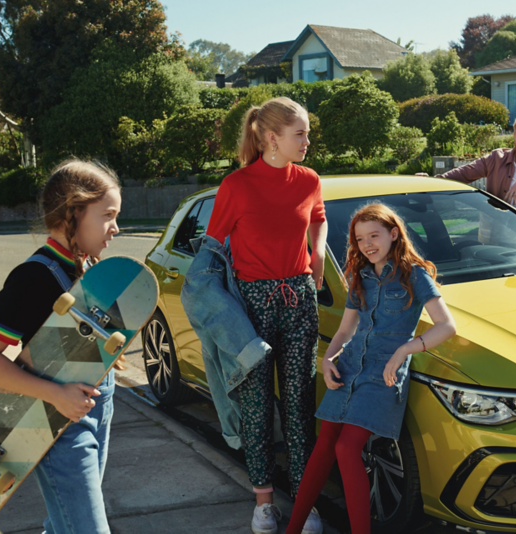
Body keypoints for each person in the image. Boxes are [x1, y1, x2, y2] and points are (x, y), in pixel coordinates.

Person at [0, 159, 122, 534]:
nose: (116, 227)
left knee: (65, 525)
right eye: (108, 215)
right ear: (73, 212)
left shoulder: (83, 268)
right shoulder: (34, 276)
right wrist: (55, 393)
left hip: (95, 408)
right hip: (54, 424)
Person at [286, 203, 457, 534]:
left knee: (347, 449)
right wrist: (328, 359)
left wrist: (406, 348)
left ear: (394, 234)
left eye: (374, 235)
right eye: (360, 238)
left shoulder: (414, 275)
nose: (367, 244)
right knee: (324, 445)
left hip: (382, 375)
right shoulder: (361, 276)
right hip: (349, 368)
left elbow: (446, 326)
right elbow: (345, 331)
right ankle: (293, 529)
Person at [206, 96, 328, 534]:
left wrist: (317, 252)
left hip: (299, 299)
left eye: (308, 133)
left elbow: (319, 218)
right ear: (271, 137)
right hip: (250, 306)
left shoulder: (309, 179)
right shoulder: (236, 186)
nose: (308, 141)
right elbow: (212, 251)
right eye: (301, 134)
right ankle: (262, 503)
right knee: (257, 409)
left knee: (299, 407)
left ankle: (304, 502)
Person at [423, 113, 516, 231]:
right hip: (496, 237)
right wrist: (430, 181)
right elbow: (463, 174)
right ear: (514, 136)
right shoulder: (496, 158)